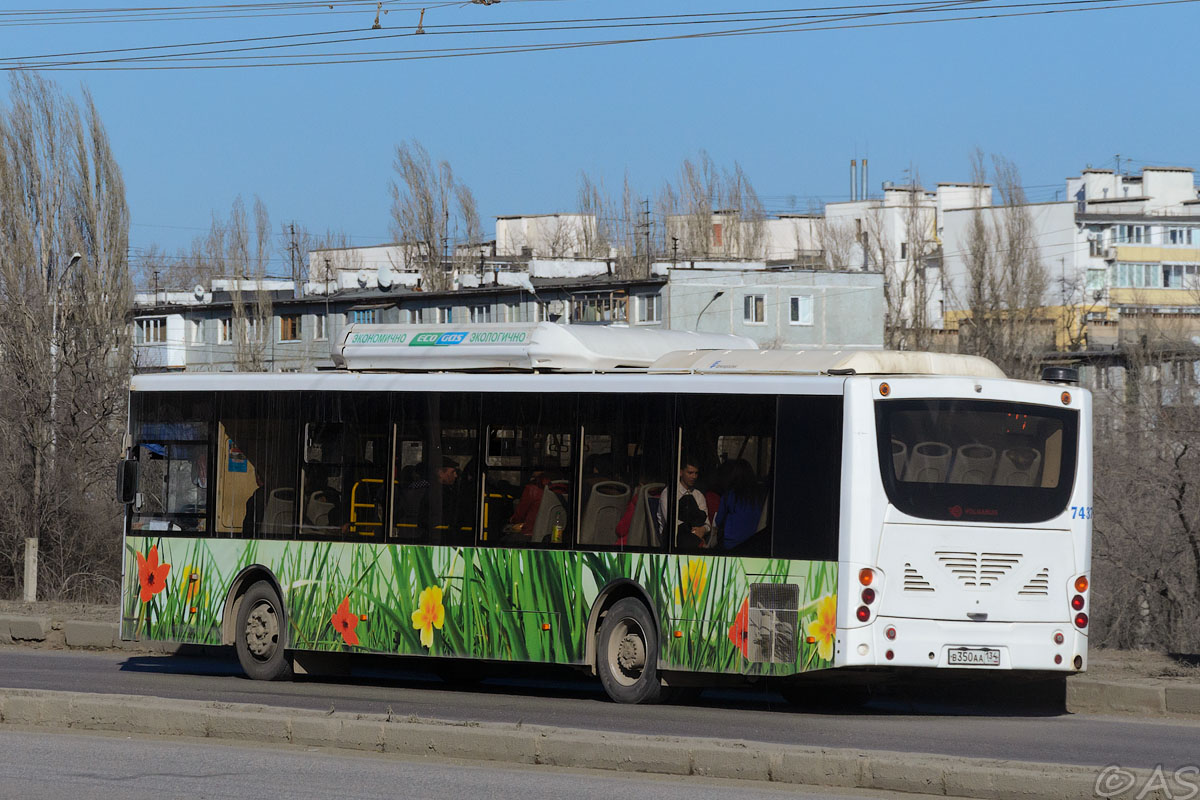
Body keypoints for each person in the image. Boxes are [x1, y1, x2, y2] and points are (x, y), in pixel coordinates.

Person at [714, 459, 766, 550]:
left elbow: (718, 521)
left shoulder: (729, 495)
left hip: (731, 544)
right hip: (755, 544)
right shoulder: (760, 496)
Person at [658, 460, 711, 549]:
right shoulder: (669, 493)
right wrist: (693, 533)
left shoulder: (699, 495)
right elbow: (672, 523)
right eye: (690, 473)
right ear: (681, 472)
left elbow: (706, 522)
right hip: (673, 539)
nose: (694, 476)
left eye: (696, 473)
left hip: (696, 537)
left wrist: (703, 529)